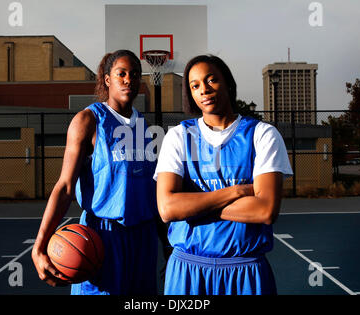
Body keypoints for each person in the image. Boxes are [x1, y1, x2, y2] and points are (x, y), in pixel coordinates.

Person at [155, 54, 293, 295]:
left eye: (211, 80)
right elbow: (168, 209)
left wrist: (192, 205)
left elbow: (265, 210)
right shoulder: (178, 136)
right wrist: (236, 192)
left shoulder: (262, 135)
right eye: (195, 85)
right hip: (187, 270)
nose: (204, 90)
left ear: (228, 83)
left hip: (245, 271)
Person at [32, 50, 165, 295]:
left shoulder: (145, 126)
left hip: (144, 239)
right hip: (103, 237)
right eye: (121, 73)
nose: (128, 80)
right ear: (107, 79)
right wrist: (39, 246)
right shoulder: (89, 120)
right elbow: (65, 187)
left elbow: (154, 193)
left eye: (135, 74)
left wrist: (166, 247)